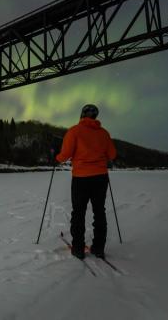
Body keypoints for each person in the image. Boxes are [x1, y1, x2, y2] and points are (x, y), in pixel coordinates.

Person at [55, 104, 117, 259]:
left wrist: (56, 157)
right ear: (95, 116)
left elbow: (65, 154)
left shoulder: (74, 131)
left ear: (82, 115)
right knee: (99, 212)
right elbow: (112, 154)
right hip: (100, 178)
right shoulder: (104, 133)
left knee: (78, 212)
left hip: (81, 179)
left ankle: (78, 249)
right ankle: (98, 248)